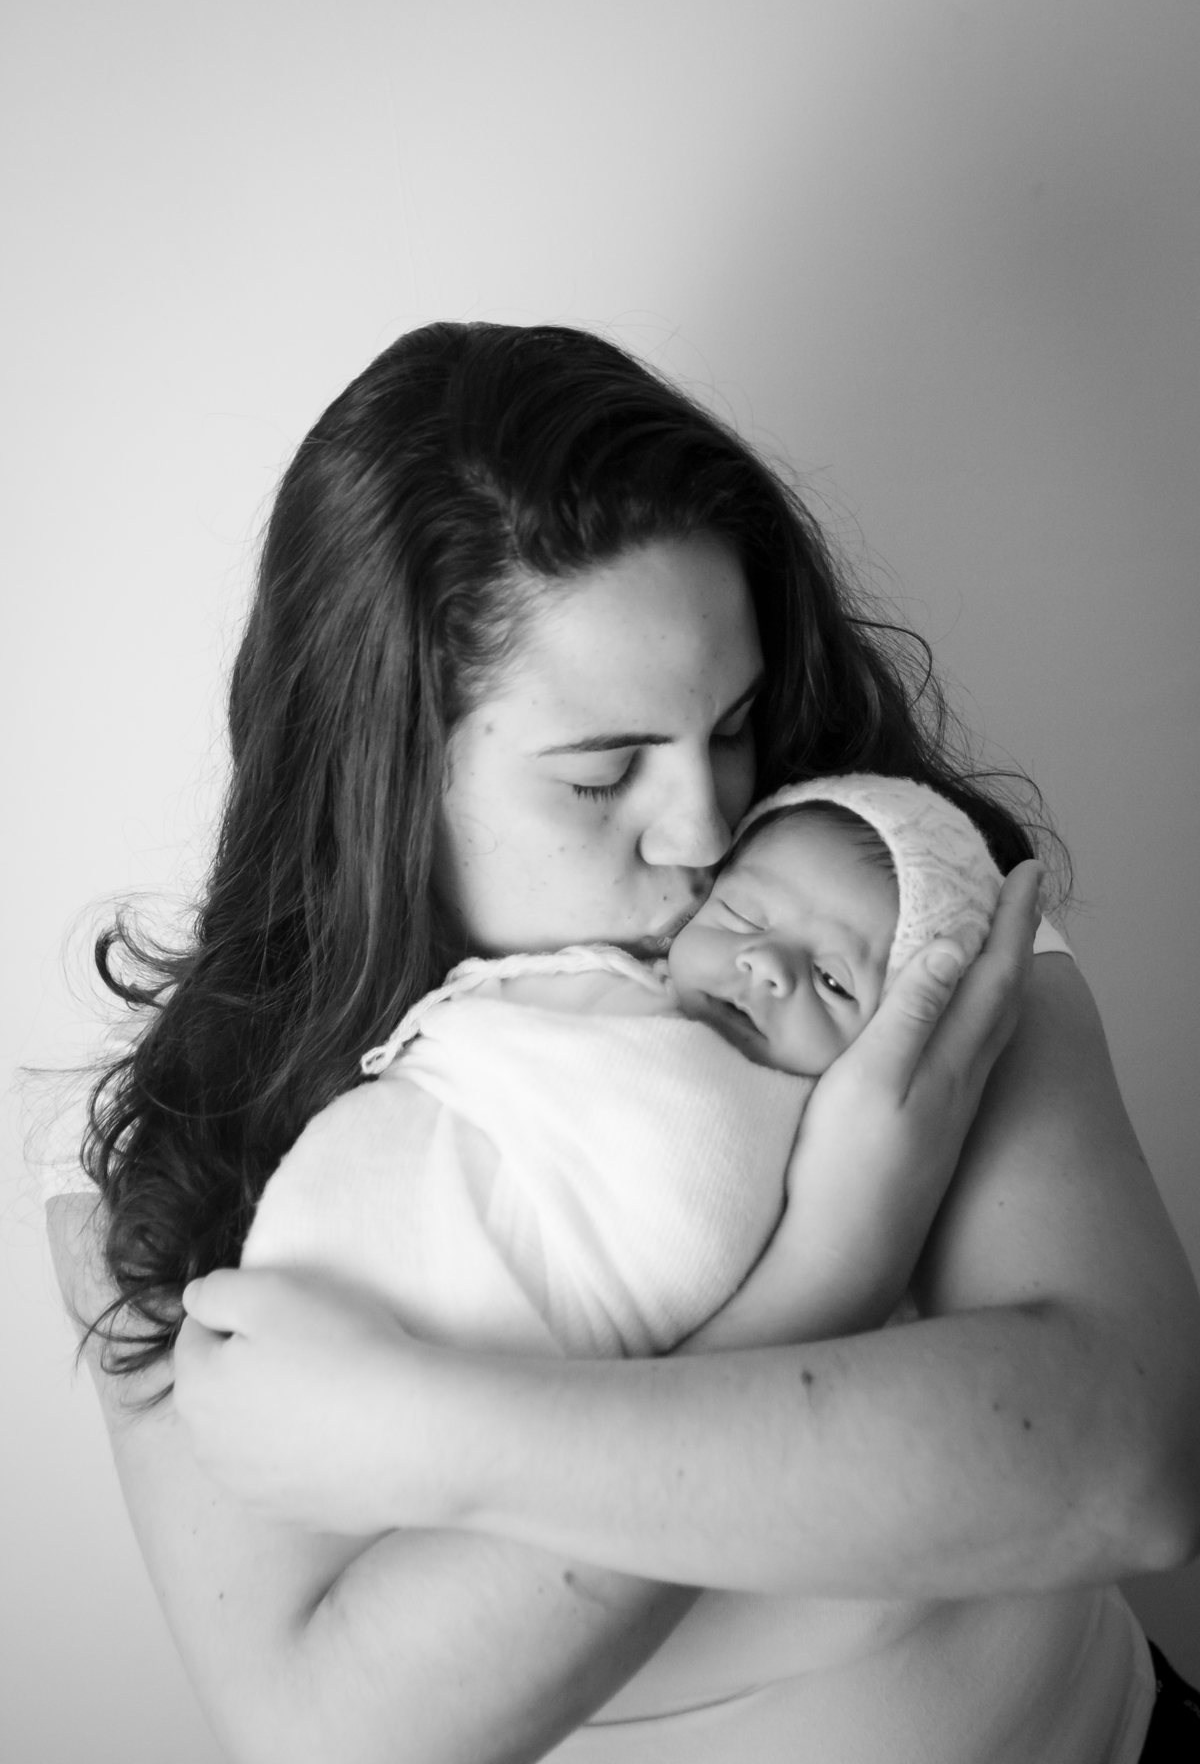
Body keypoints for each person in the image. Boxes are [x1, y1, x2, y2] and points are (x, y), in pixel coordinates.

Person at [47, 322, 1200, 1763]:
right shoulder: (180, 1151)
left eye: (732, 725)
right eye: (604, 775)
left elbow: (1129, 1464)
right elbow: (334, 1733)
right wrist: (825, 1271)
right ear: (380, 778)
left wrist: (426, 1432)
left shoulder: (885, 910)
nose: (710, 831)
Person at [241, 776, 1009, 1366]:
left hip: (539, 1386)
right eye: (743, 917)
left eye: (836, 982)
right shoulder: (606, 989)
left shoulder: (847, 1151)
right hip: (359, 1258)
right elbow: (466, 1047)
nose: (767, 964)